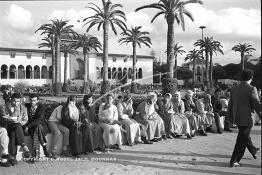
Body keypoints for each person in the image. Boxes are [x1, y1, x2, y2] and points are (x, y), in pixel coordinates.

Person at [228, 69, 261, 167]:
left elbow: (230, 104)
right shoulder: (252, 88)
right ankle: (234, 160)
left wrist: (230, 117)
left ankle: (253, 151)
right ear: (251, 77)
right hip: (247, 118)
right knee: (241, 140)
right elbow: (257, 105)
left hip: (237, 117)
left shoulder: (234, 88)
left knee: (244, 136)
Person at [0, 93, 31, 163]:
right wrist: (11, 118)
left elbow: (25, 120)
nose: (17, 103)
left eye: (18, 101)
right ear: (11, 99)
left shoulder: (23, 108)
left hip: (18, 128)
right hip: (7, 126)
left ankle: (12, 157)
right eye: (15, 101)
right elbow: (4, 118)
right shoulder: (4, 107)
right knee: (15, 127)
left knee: (14, 132)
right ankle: (23, 146)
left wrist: (19, 121)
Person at [24, 94, 51, 159]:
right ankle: (44, 148)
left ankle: (36, 153)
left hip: (42, 126)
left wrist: (28, 127)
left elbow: (39, 119)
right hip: (33, 128)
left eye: (34, 100)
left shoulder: (41, 107)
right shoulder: (26, 106)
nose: (32, 102)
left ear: (37, 100)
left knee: (38, 127)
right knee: (36, 129)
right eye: (31, 100)